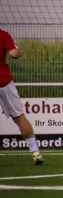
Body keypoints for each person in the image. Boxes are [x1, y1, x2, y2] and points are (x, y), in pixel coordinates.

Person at [0, 28, 43, 165]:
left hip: (4, 81)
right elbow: (14, 54)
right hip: (4, 81)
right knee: (19, 117)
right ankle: (35, 152)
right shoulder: (3, 35)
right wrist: (17, 49)